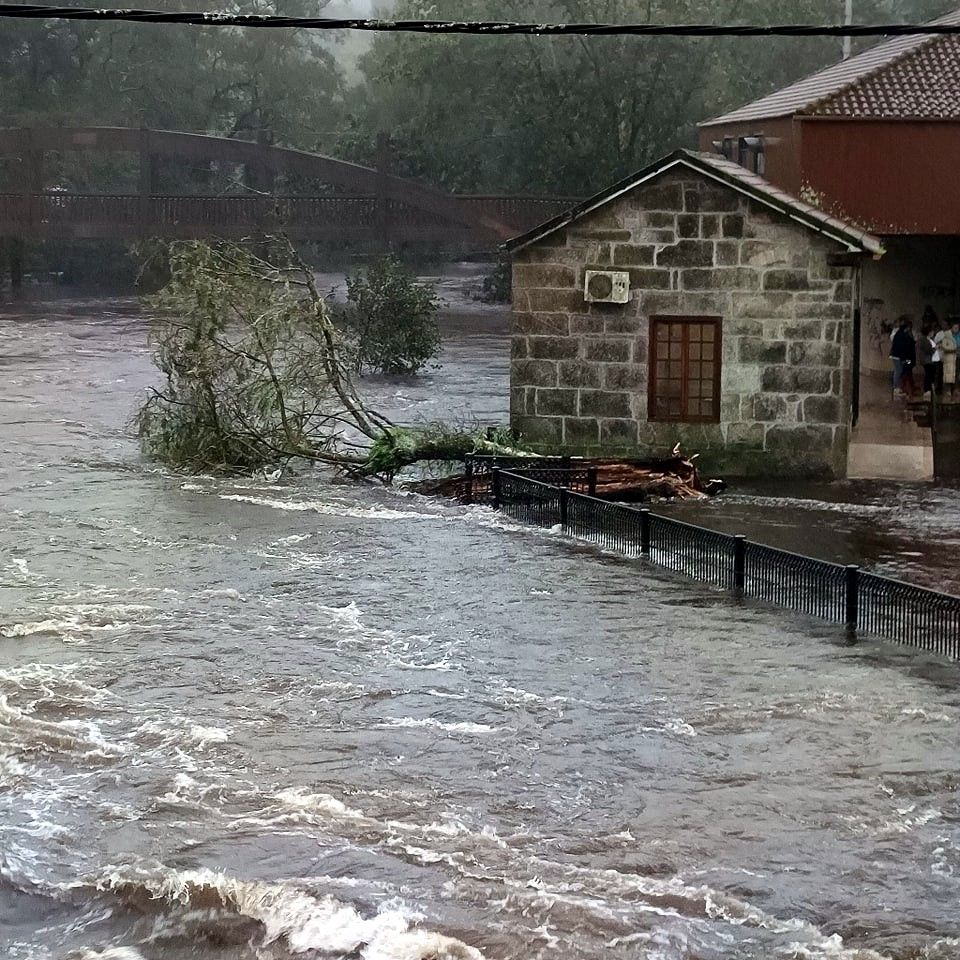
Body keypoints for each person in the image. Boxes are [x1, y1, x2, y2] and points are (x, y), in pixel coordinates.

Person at [890, 316, 916, 397]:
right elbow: (903, 347)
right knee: (898, 371)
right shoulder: (902, 335)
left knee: (900, 370)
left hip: (899, 356)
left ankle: (899, 387)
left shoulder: (901, 334)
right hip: (898, 357)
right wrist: (905, 359)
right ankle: (896, 388)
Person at [917, 321, 939, 398]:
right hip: (927, 361)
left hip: (929, 360)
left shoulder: (927, 339)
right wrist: (935, 348)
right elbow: (929, 350)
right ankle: (927, 390)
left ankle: (929, 389)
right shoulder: (925, 340)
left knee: (930, 375)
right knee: (929, 376)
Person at [942, 318, 960, 399]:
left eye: (958, 328)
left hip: (958, 357)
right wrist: (953, 349)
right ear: (951, 328)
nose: (956, 329)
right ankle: (948, 390)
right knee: (949, 374)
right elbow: (944, 346)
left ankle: (956, 389)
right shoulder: (946, 335)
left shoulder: (959, 335)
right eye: (955, 328)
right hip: (950, 358)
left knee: (957, 374)